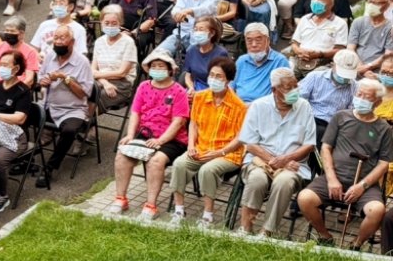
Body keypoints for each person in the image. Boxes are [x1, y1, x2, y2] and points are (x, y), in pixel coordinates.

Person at [297, 78, 392, 249]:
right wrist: (332, 179)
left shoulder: (384, 128)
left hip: (365, 185)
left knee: (377, 210)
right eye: (359, 94)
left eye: (367, 97)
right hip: (333, 178)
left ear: (377, 103)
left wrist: (362, 186)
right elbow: (325, 148)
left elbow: (383, 163)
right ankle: (325, 236)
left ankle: (355, 244)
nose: (360, 99)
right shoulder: (341, 117)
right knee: (304, 198)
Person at [109, 50, 190, 221]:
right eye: (154, 66)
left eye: (161, 66)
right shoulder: (143, 86)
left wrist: (161, 140)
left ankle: (151, 205)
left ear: (170, 70)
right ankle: (120, 198)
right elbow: (136, 113)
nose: (157, 69)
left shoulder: (179, 91)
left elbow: (179, 122)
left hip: (172, 138)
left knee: (156, 161)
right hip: (145, 133)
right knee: (122, 155)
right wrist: (130, 135)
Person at [236, 67, 316, 236]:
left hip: (293, 165)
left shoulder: (304, 106)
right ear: (274, 90)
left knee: (284, 182)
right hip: (260, 160)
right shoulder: (259, 106)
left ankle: (267, 232)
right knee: (257, 179)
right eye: (289, 87)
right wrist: (273, 160)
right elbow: (249, 143)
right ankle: (245, 228)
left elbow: (309, 144)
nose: (295, 91)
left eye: (296, 86)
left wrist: (286, 160)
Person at [169, 58, 246, 227]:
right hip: (201, 148)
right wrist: (190, 145)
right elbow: (194, 124)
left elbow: (240, 138)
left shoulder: (239, 106)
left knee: (207, 170)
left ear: (228, 80)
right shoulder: (200, 97)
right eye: (212, 75)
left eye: (219, 76)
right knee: (179, 164)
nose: (214, 79)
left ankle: (207, 216)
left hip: (227, 153)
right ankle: (179, 210)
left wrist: (220, 152)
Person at [36, 26, 95, 187]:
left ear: (72, 42)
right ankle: (27, 158)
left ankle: (50, 167)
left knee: (69, 131)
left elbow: (84, 93)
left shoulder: (82, 62)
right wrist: (43, 80)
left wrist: (65, 78)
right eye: (56, 38)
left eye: (62, 38)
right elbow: (41, 77)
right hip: (49, 105)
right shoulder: (50, 56)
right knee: (25, 114)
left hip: (73, 109)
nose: (58, 41)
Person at [0, 50, 32, 213]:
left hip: (15, 136)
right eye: (1, 64)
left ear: (16, 69)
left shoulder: (23, 91)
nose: (2, 68)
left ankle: (2, 196)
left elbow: (19, 118)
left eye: (6, 65)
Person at [299, 49, 359, 153]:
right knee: (318, 132)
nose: (344, 77)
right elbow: (300, 100)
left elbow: (351, 112)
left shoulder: (354, 86)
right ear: (334, 65)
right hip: (312, 119)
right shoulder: (315, 77)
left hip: (335, 125)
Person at [290, 0, 347, 77]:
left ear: (331, 4)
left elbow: (339, 50)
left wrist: (319, 54)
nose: (316, 1)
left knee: (314, 79)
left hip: (322, 62)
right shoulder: (305, 19)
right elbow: (294, 42)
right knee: (282, 75)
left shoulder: (340, 23)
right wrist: (299, 51)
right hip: (299, 58)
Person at [348, 0, 393, 72]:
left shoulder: (390, 28)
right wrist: (359, 67)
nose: (371, 5)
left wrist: (367, 67)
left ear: (386, 5)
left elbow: (387, 56)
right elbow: (350, 49)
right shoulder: (358, 22)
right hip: (354, 65)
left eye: (376, 2)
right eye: (369, 1)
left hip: (377, 69)